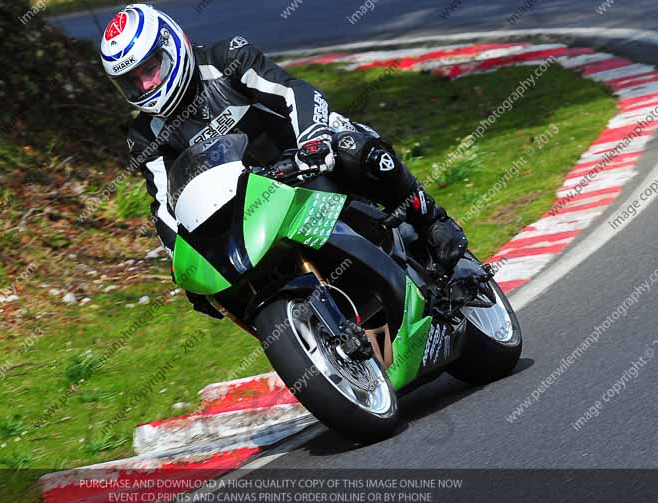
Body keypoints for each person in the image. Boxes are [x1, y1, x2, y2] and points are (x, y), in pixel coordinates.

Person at [100, 4, 468, 316]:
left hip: (303, 160)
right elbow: (165, 205)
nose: (146, 86)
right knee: (220, 292)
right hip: (248, 210)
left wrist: (312, 142)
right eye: (133, 81)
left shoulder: (225, 58)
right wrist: (183, 263)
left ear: (173, 47)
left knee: (360, 153)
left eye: (150, 69)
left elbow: (294, 91)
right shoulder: (145, 135)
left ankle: (432, 221)